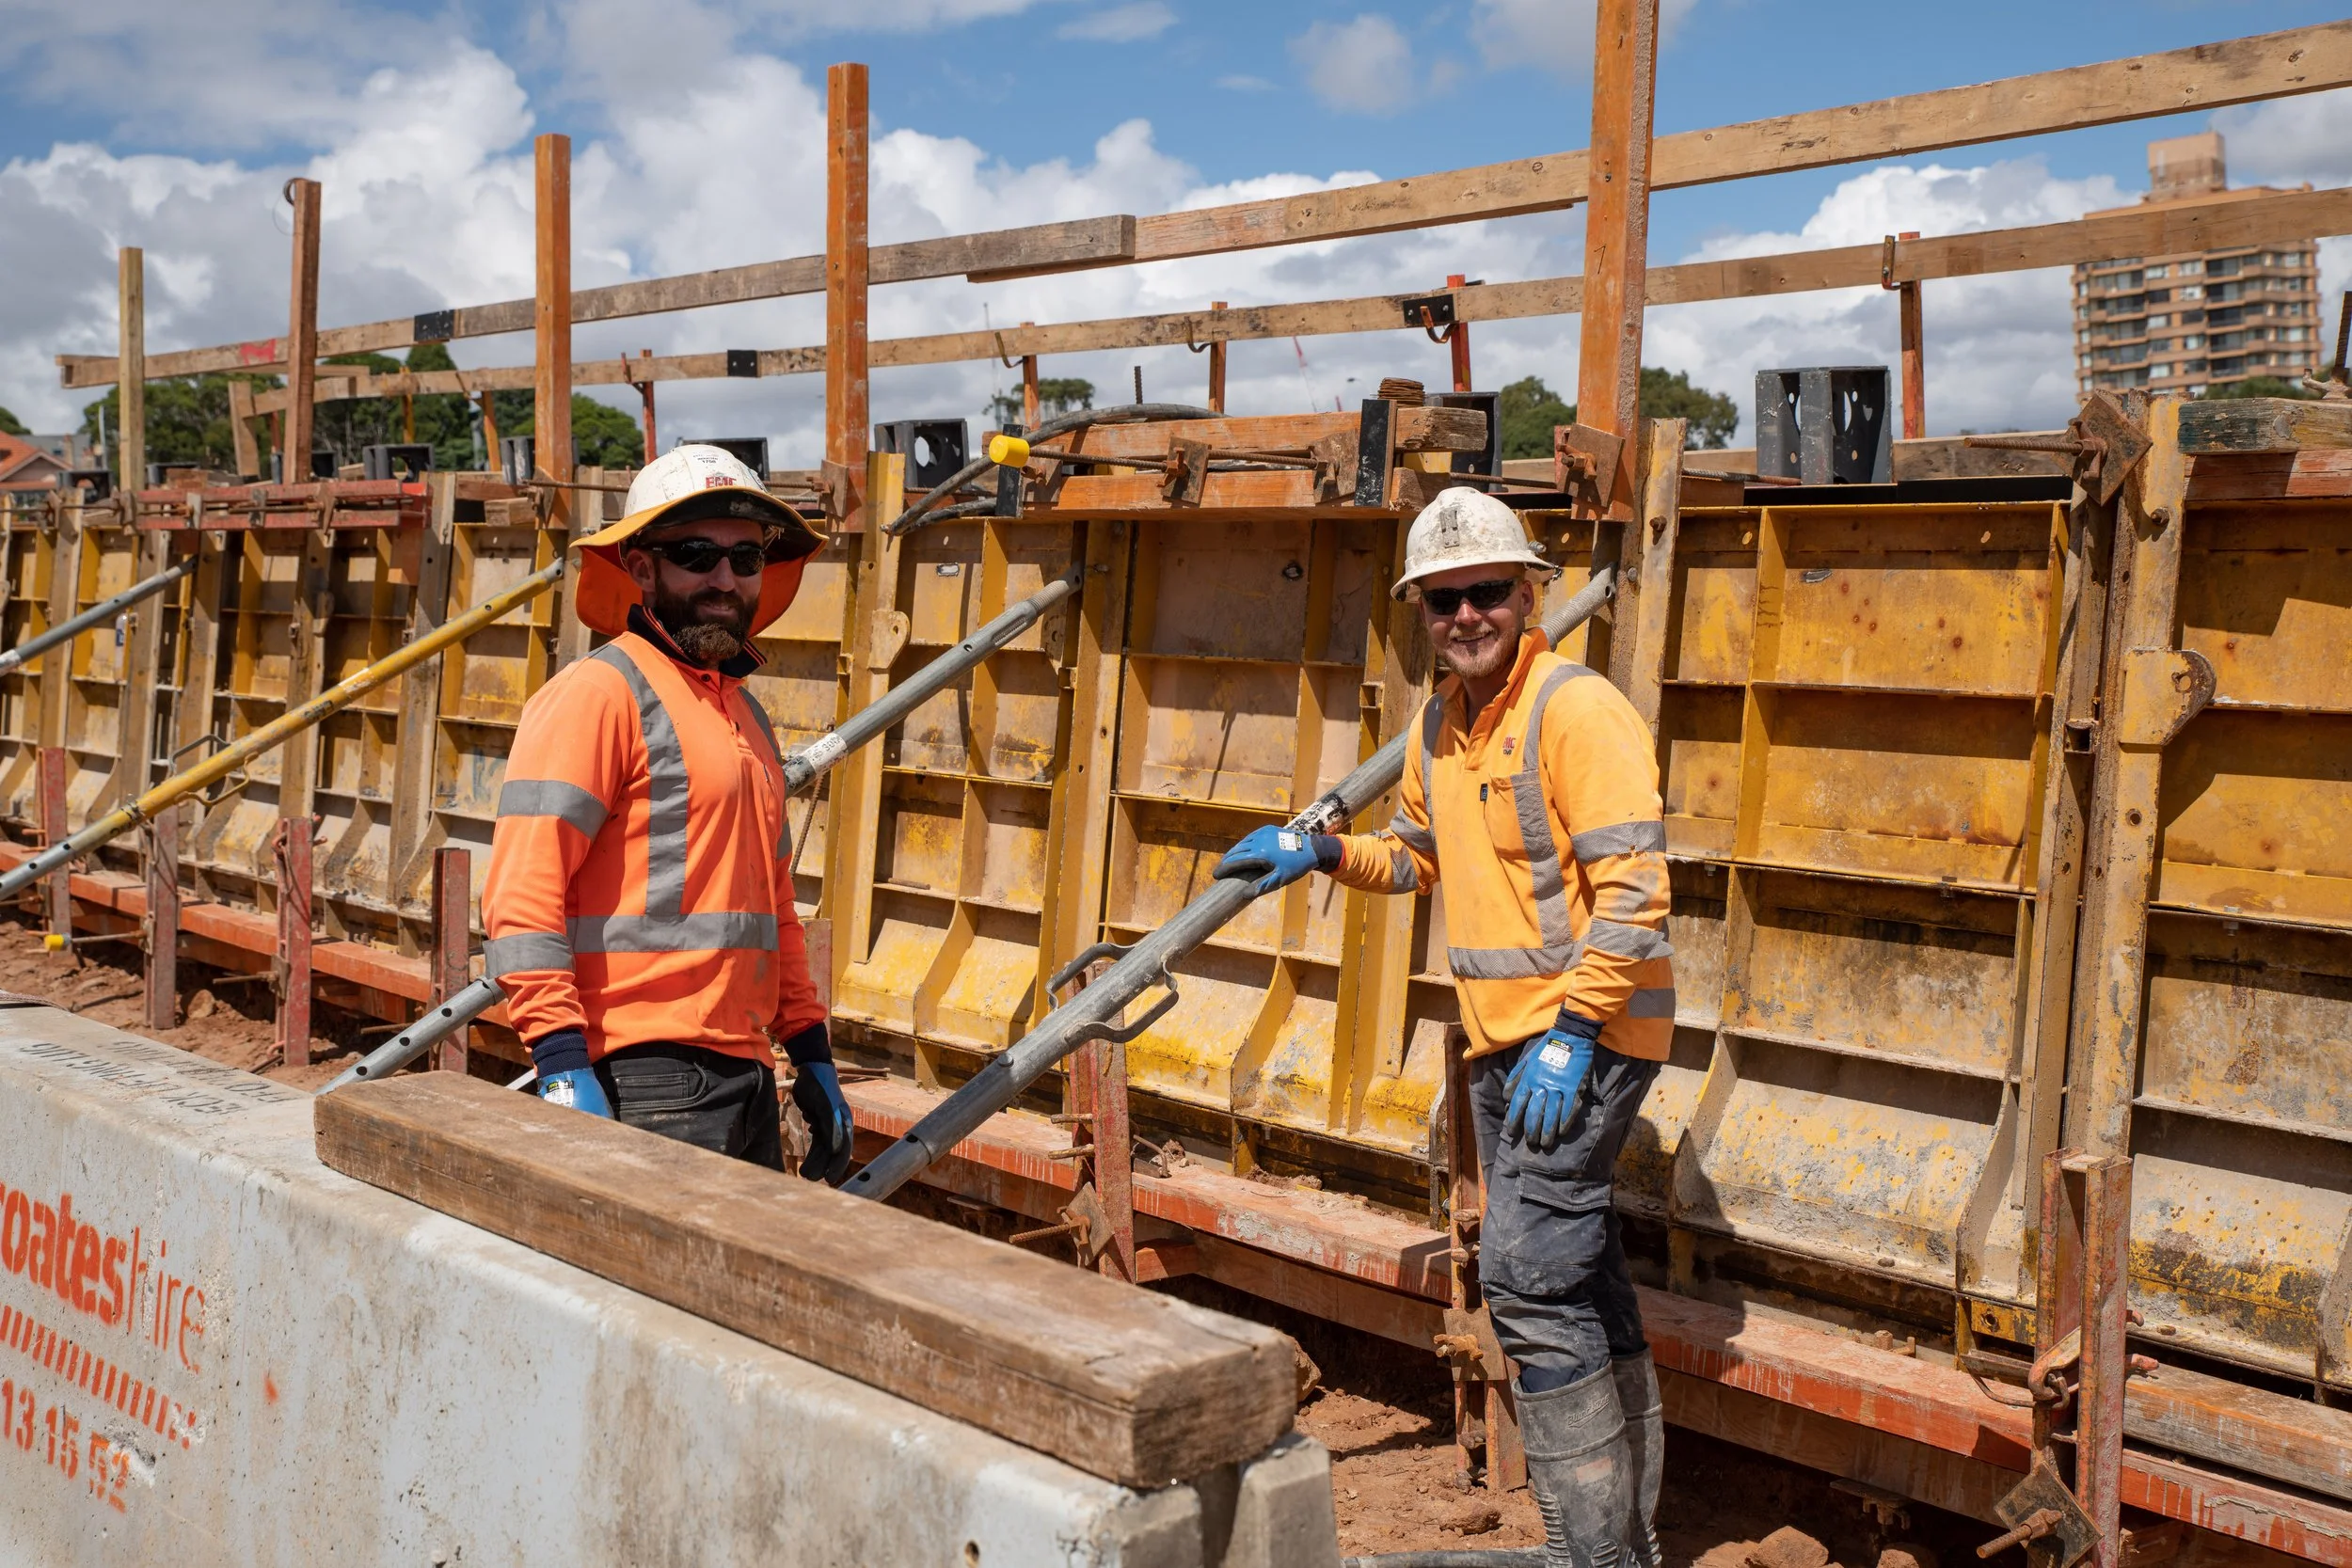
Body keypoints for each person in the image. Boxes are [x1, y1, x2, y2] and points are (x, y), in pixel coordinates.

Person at [1215, 486, 1672, 1568]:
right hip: (1503, 1042)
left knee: (1524, 1278)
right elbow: (1417, 857)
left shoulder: (1575, 710)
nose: (1465, 615)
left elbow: (1636, 889)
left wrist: (1572, 1030)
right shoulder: (1440, 725)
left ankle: (1593, 1558)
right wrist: (1326, 853)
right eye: (1442, 600)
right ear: (1422, 611)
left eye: (1485, 594)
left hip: (1584, 1040)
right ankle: (1628, 1547)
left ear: (1527, 594)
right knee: (1581, 1277)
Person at [481, 444, 856, 1184]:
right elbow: (521, 898)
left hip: (745, 1077)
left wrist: (809, 1049)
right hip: (640, 1077)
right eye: (696, 553)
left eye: (745, 560)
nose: (725, 578)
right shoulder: (599, 694)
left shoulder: (744, 718)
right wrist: (559, 1059)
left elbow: (770, 906)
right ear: (643, 567)